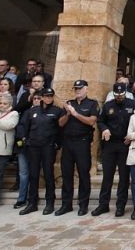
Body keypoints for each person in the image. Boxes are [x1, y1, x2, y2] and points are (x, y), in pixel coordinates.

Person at [17, 88, 65, 215]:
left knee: (49, 174)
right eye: (46, 96)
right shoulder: (32, 111)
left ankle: (50, 203)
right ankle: (32, 203)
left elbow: (60, 130)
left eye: (51, 96)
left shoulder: (57, 111)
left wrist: (57, 144)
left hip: (48, 147)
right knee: (33, 175)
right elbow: (25, 128)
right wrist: (26, 141)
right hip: (33, 147)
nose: (48, 98)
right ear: (42, 97)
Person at [93, 83, 135, 217]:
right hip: (110, 144)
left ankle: (120, 205)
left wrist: (131, 136)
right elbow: (100, 121)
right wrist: (104, 129)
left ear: (125, 93)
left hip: (125, 144)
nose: (119, 97)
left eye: (121, 94)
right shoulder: (108, 105)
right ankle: (103, 204)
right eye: (117, 95)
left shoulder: (132, 104)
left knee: (124, 177)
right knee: (107, 176)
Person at [57, 80, 99, 216]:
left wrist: (76, 114)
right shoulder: (69, 104)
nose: (78, 91)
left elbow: (92, 121)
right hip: (68, 143)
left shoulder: (92, 104)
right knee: (67, 174)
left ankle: (83, 205)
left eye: (80, 88)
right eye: (76, 89)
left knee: (83, 174)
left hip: (82, 142)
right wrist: (68, 114)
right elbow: (60, 123)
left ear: (86, 89)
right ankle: (66, 204)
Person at [13, 91, 42, 210]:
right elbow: (20, 126)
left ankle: (33, 197)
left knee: (34, 173)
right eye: (34, 98)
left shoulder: (45, 113)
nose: (36, 100)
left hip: (37, 147)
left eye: (39, 98)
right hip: (24, 146)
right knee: (23, 173)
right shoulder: (26, 112)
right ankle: (21, 198)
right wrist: (24, 138)